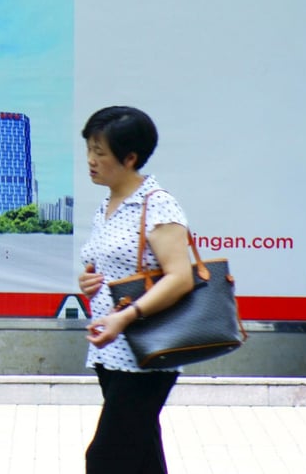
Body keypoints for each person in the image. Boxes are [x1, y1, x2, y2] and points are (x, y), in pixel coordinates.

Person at [78, 106, 195, 474]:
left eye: (100, 152)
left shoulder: (157, 203)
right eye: (89, 150)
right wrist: (88, 282)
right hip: (111, 353)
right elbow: (114, 266)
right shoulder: (108, 204)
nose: (91, 161)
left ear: (129, 158)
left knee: (105, 458)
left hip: (146, 355)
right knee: (142, 458)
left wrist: (126, 316)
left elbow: (180, 277)